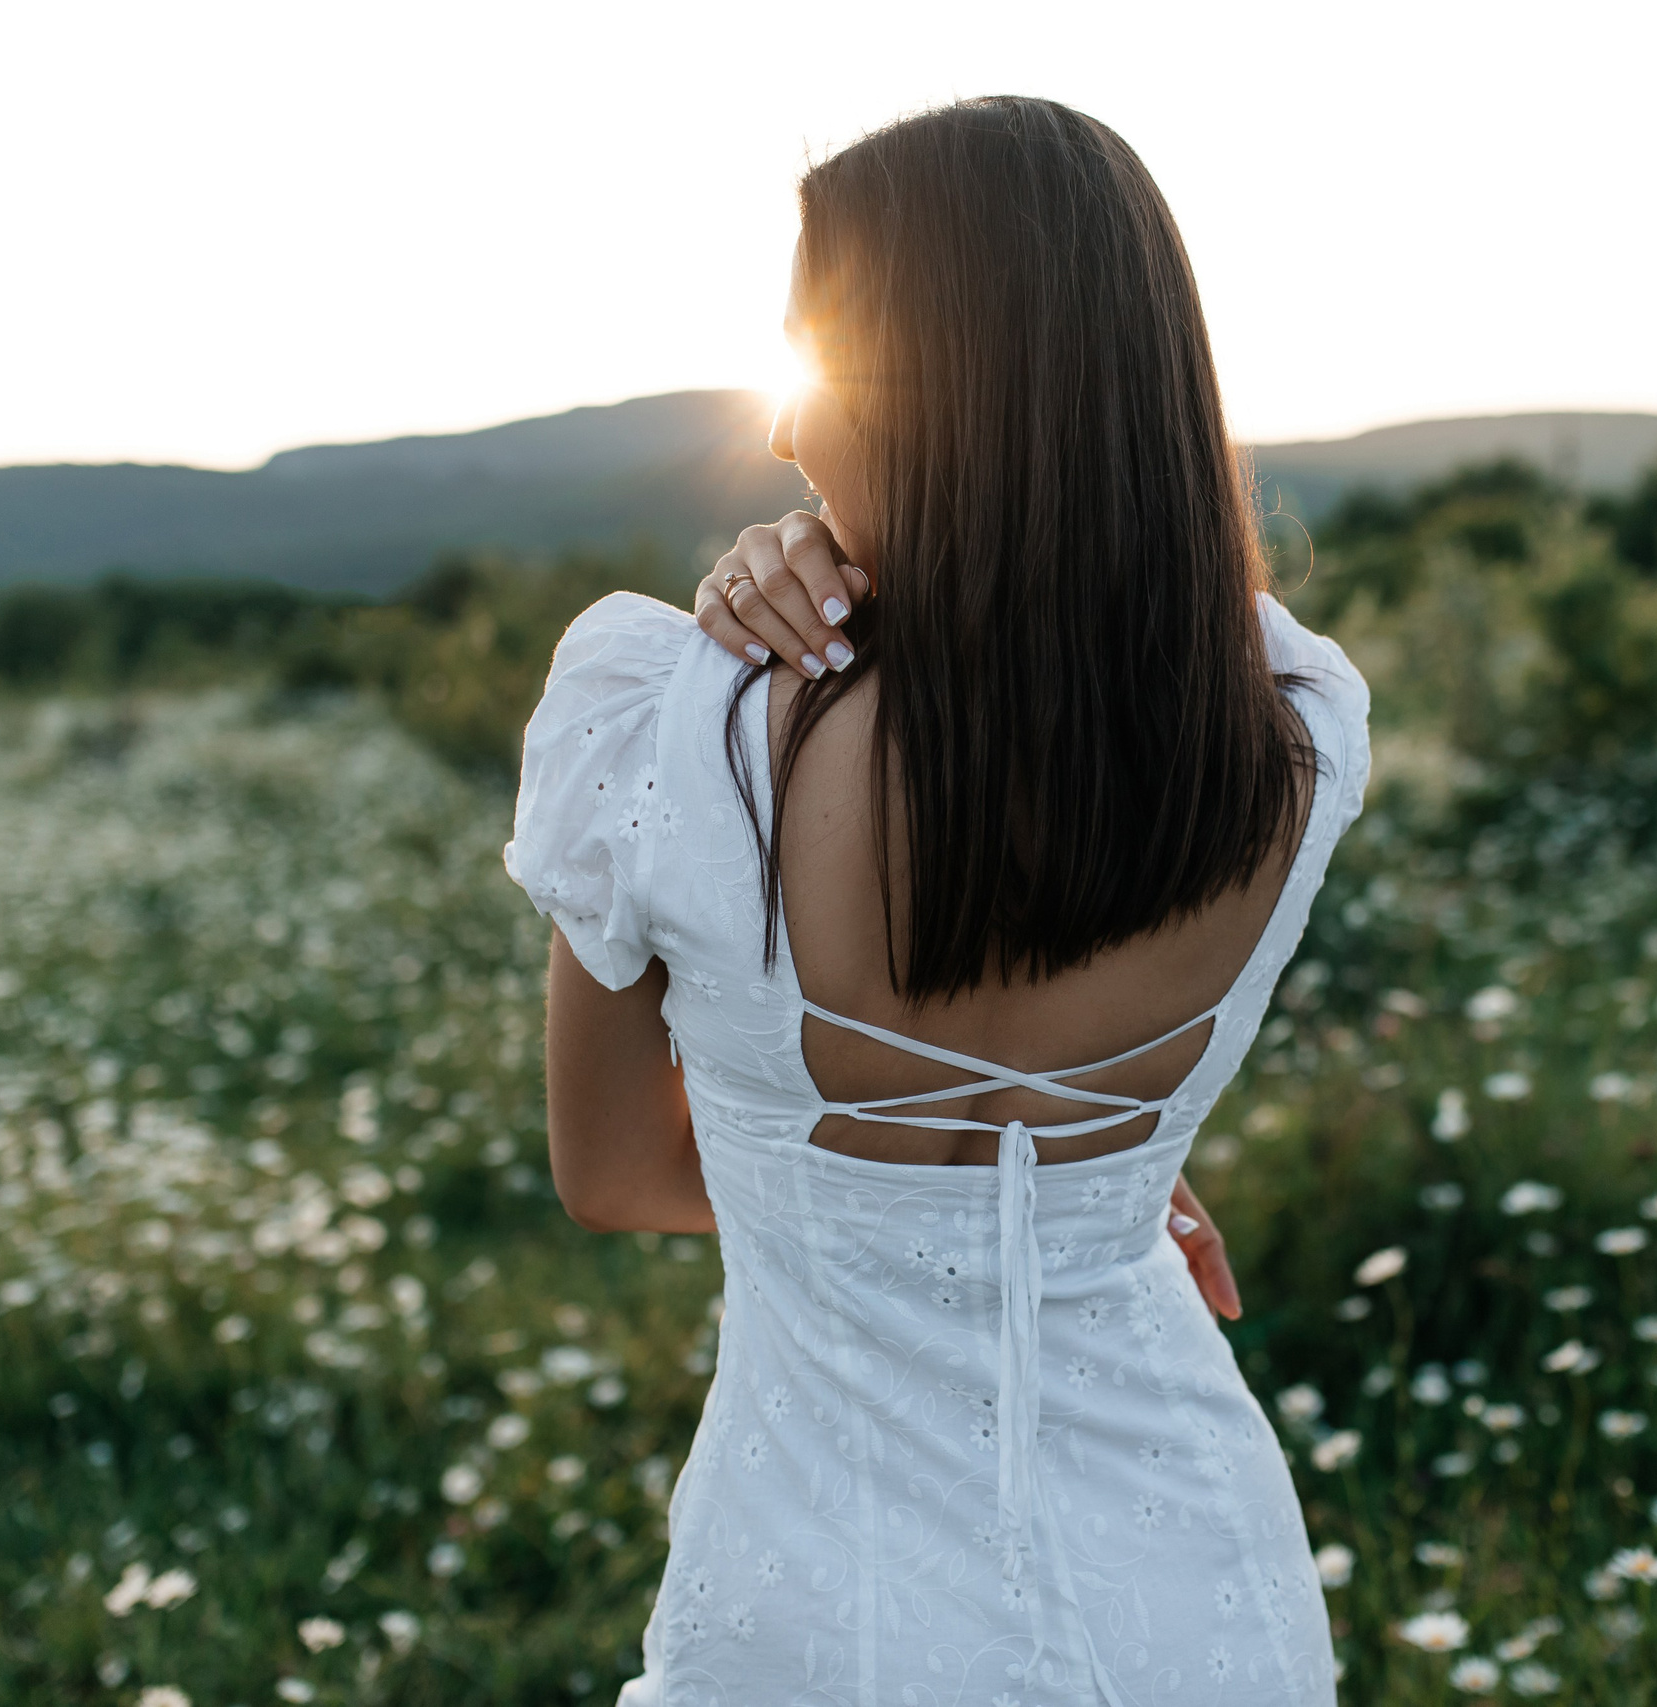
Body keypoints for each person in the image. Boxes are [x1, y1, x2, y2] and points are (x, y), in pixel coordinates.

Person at [506, 95, 1368, 1707]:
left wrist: (897, 1234)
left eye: (817, 364)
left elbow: (614, 1170)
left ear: (939, 390)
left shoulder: (671, 722)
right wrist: (1057, 1223)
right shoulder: (1295, 728)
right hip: (1201, 1608)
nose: (781, 432)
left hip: (818, 1621)